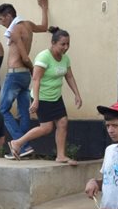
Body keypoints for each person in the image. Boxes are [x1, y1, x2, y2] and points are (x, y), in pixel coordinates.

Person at [8, 28, 83, 164]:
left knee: (62, 123)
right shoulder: (44, 57)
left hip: (56, 97)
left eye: (68, 44)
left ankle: (61, 155)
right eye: (62, 44)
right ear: (53, 43)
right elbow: (36, 79)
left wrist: (77, 94)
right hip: (42, 97)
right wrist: (35, 100)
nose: (66, 47)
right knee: (46, 128)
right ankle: (17, 142)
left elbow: (69, 76)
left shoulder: (65, 59)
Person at [0, 0, 49, 158]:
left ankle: (22, 144)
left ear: (9, 16)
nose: (1, 22)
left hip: (16, 74)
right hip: (24, 75)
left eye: (2, 19)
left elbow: (24, 57)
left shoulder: (15, 30)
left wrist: (33, 69)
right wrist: (44, 8)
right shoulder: (28, 24)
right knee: (24, 111)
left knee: (3, 110)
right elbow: (44, 27)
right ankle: (20, 148)